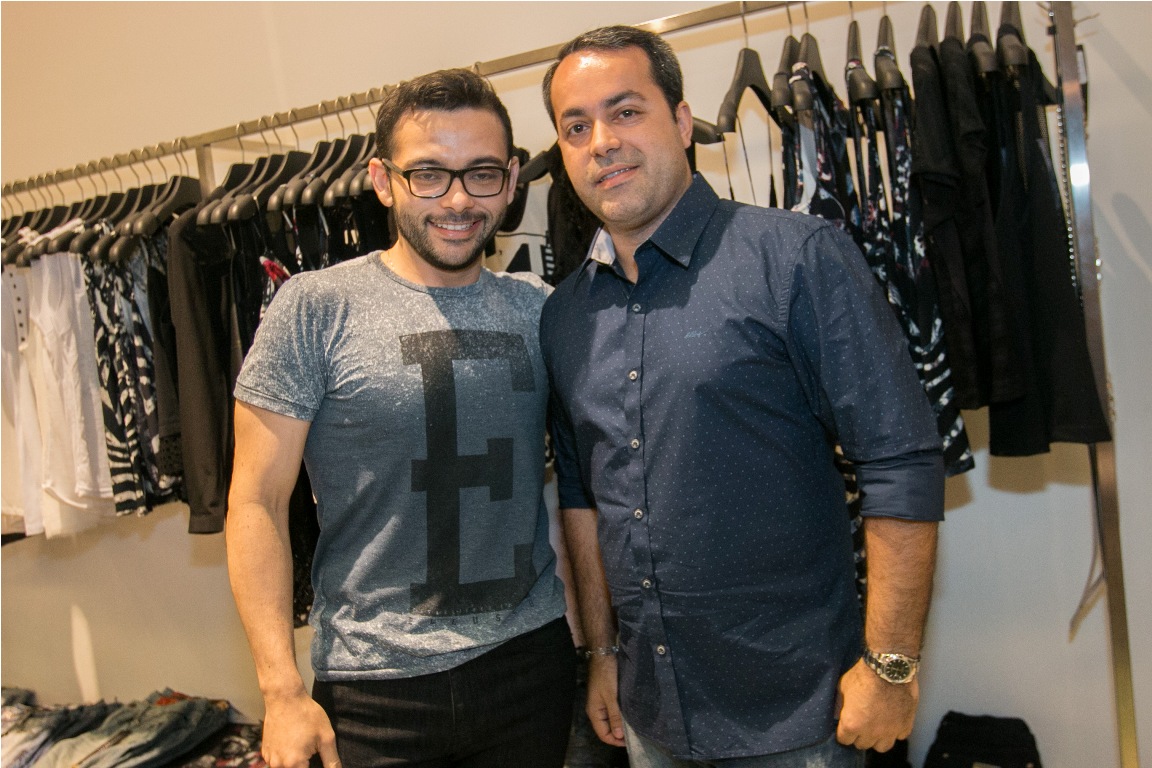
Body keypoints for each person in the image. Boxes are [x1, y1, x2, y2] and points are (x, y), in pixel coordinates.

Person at [539, 25, 945, 768]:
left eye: (625, 111)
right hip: (649, 715)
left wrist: (891, 668)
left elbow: (901, 462)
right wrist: (600, 651)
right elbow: (581, 492)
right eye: (576, 126)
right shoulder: (564, 314)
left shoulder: (795, 257)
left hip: (798, 717)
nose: (602, 142)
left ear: (681, 121)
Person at [226, 68, 575, 768]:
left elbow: (579, 490)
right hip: (374, 690)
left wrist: (598, 648)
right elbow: (256, 501)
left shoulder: (542, 309)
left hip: (531, 669)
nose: (457, 200)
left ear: (512, 181)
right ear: (383, 181)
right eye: (428, 175)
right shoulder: (315, 308)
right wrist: (281, 691)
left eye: (481, 174)